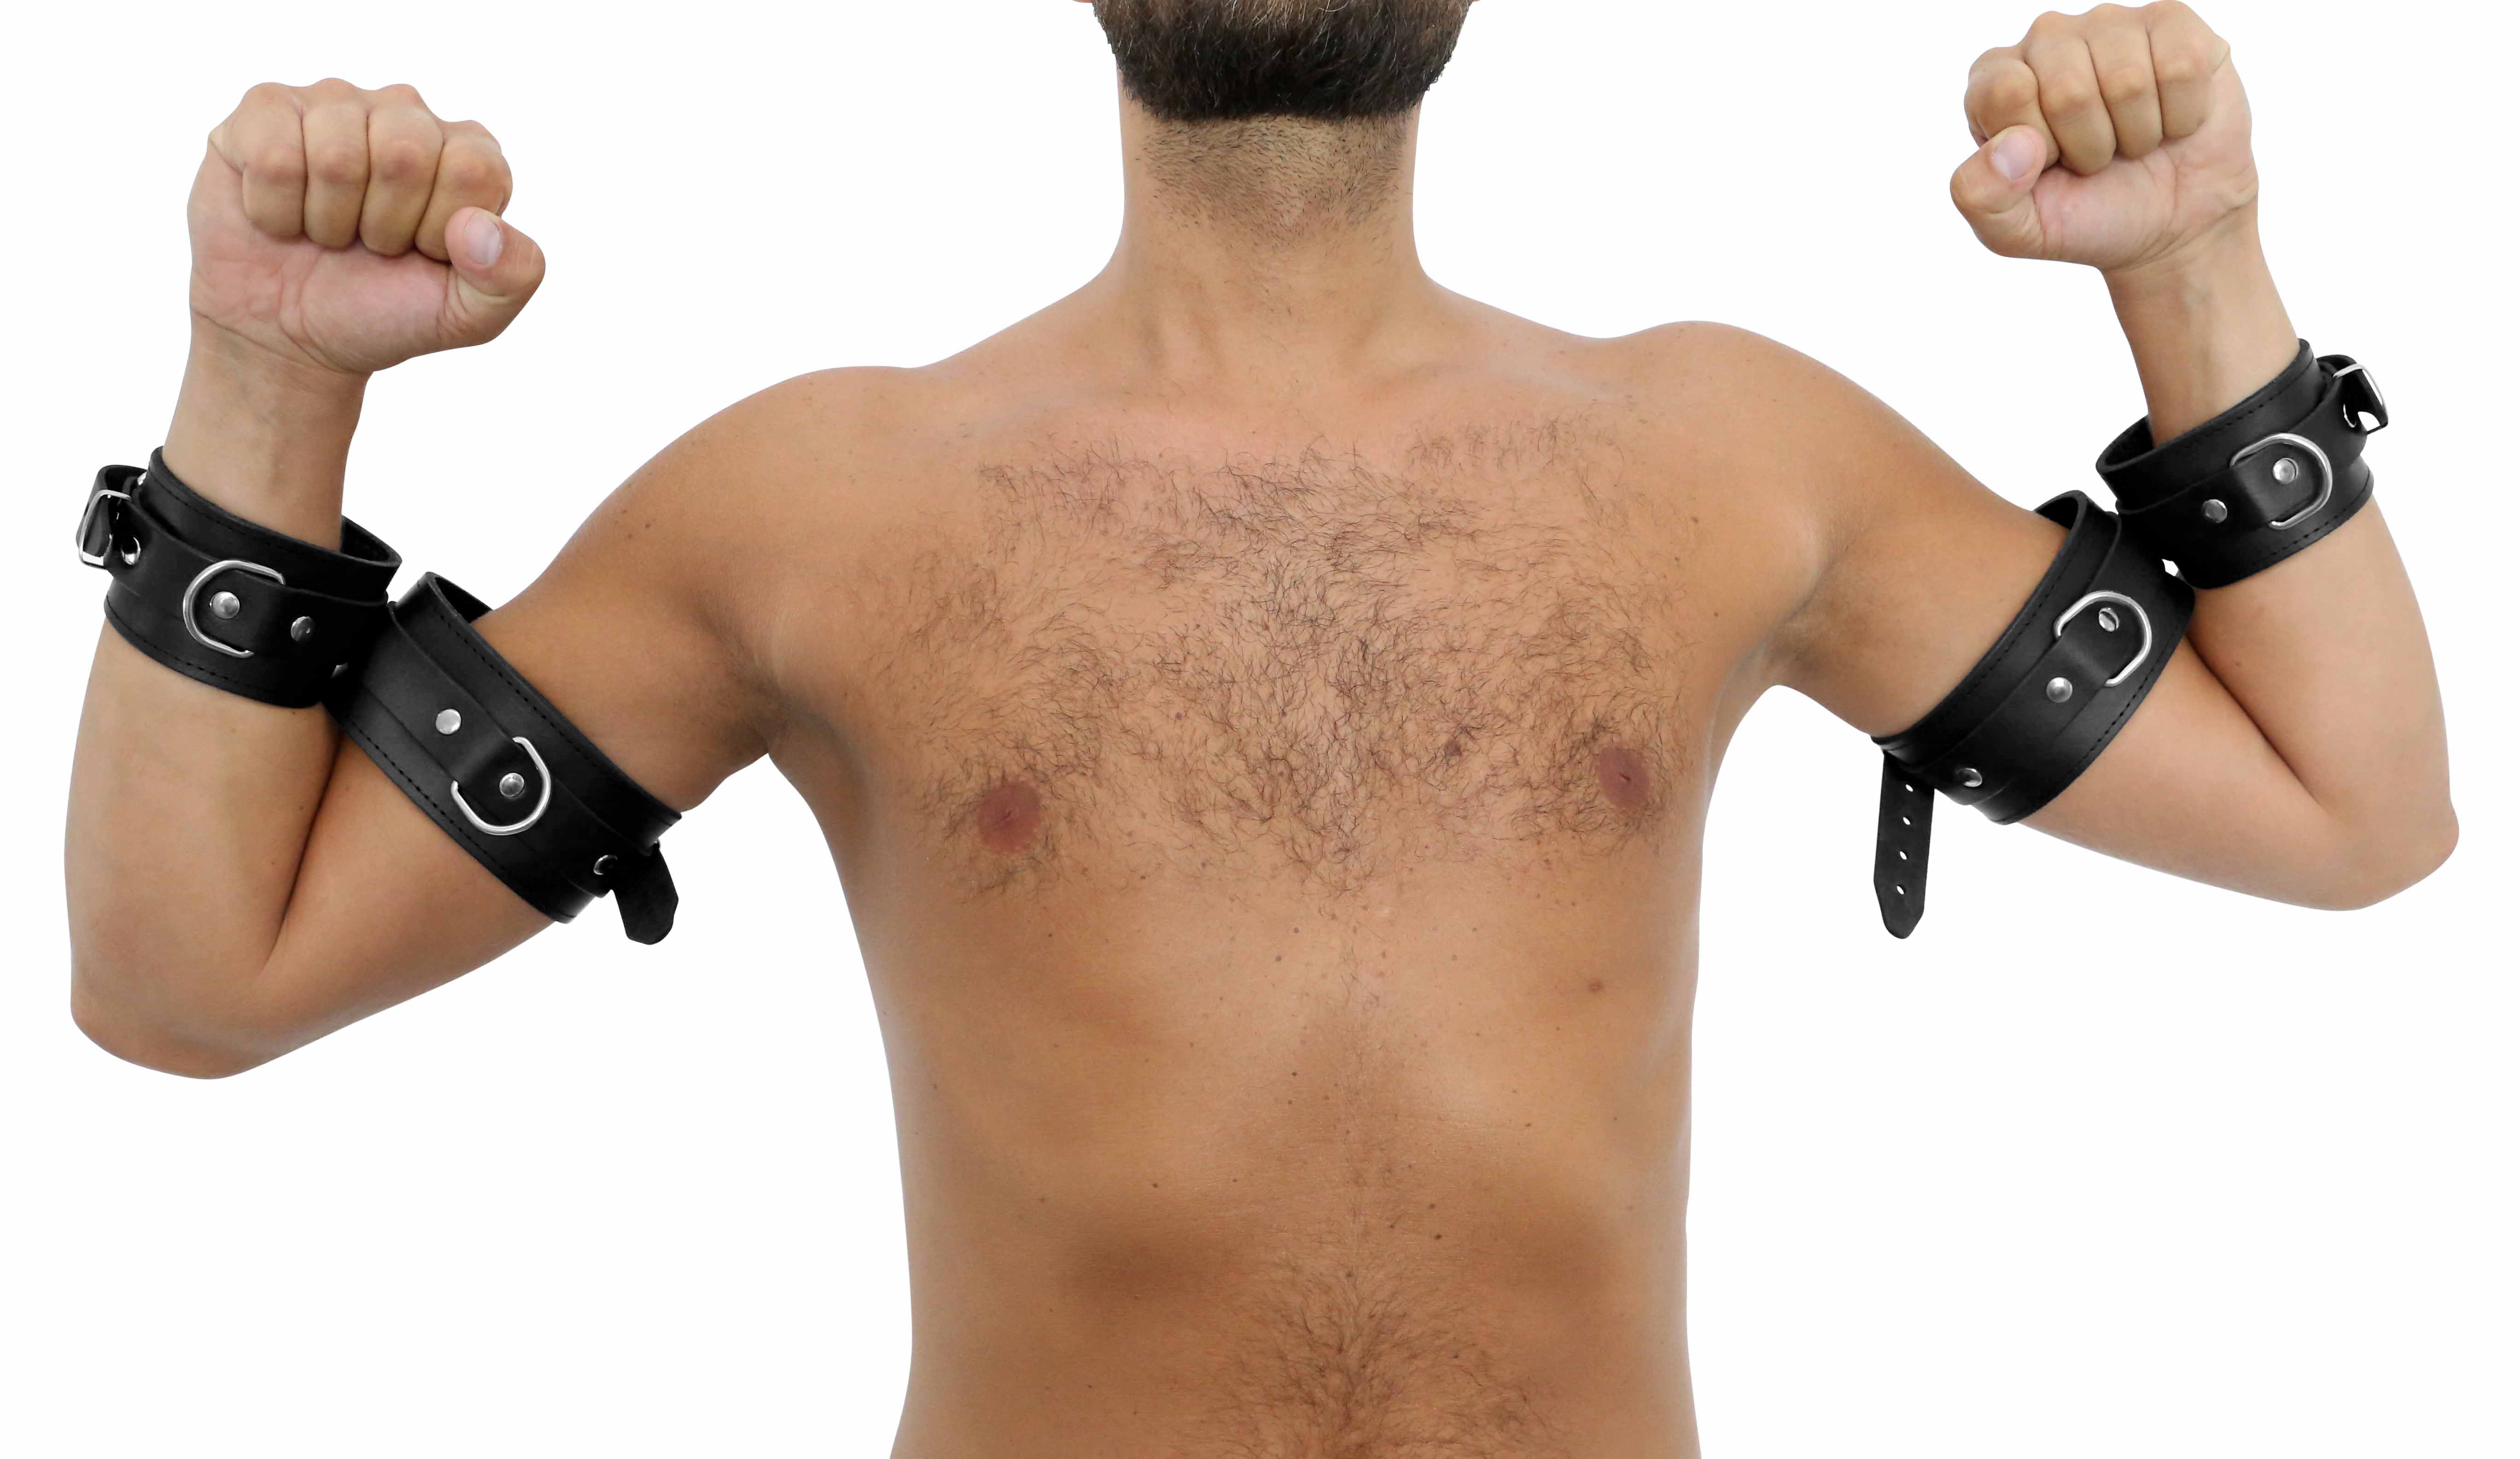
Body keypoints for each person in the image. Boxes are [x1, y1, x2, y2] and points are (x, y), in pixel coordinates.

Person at [63, 1, 2454, 1452]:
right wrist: (267, 383)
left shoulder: (1734, 456)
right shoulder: (815, 503)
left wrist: (2191, 265)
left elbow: (2354, 807)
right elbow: (186, 982)